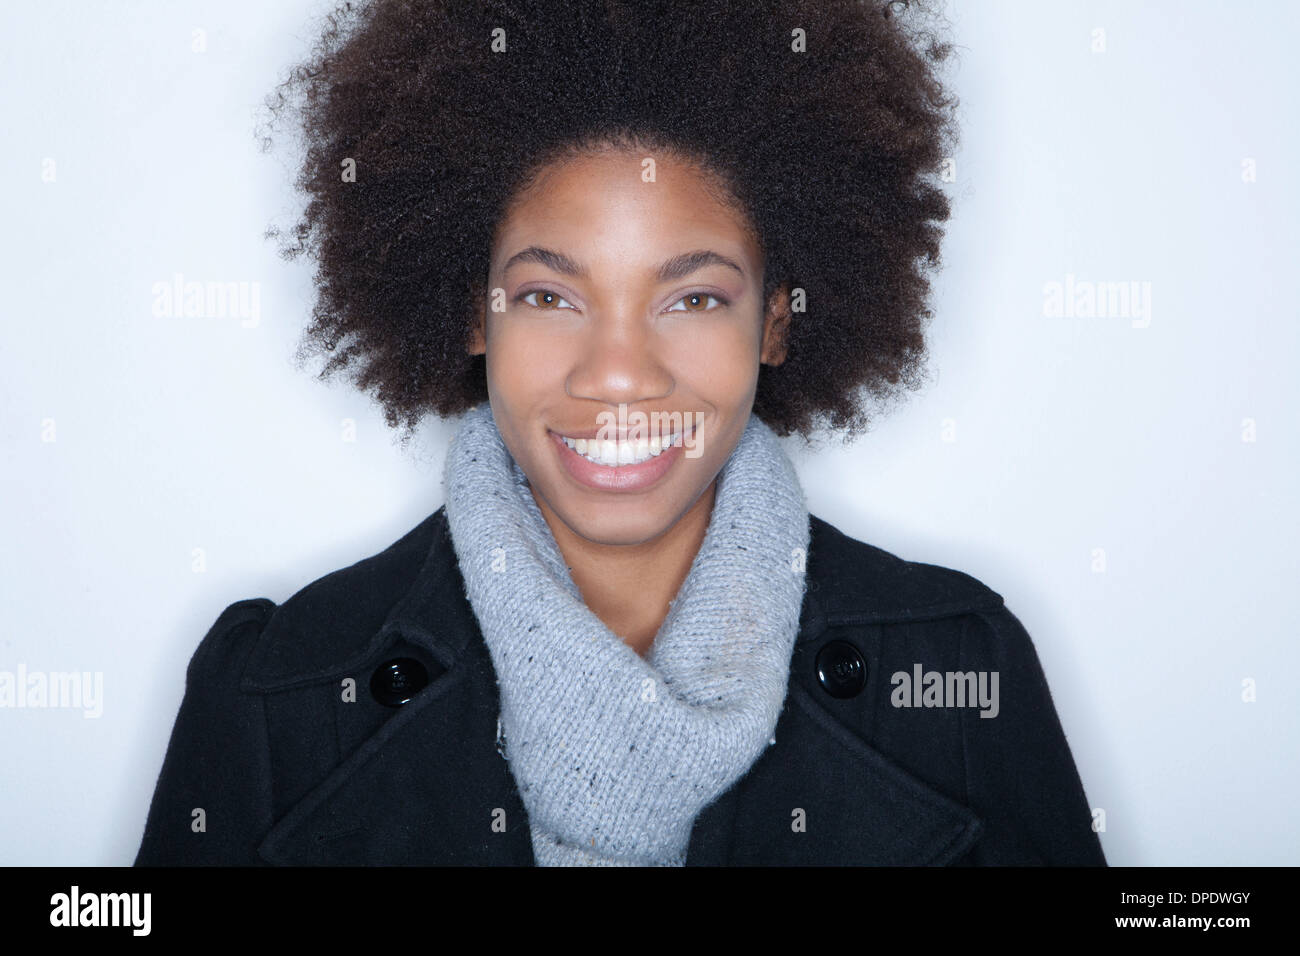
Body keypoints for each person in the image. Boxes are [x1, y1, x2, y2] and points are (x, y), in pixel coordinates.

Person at [134, 0, 1105, 866]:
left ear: (774, 322)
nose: (617, 372)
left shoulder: (961, 672)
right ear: (472, 315)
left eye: (691, 297)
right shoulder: (273, 696)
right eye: (550, 294)